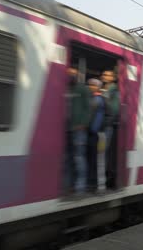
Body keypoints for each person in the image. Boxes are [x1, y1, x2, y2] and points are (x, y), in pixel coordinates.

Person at [63, 67, 90, 196]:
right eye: (69, 73)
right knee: (67, 158)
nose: (70, 76)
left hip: (78, 130)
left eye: (73, 73)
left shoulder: (83, 89)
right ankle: (68, 186)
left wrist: (83, 124)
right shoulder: (67, 89)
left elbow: (88, 108)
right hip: (67, 129)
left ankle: (80, 187)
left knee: (79, 158)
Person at [101, 70, 119, 189]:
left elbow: (114, 110)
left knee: (105, 154)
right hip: (105, 126)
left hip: (107, 126)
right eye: (103, 74)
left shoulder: (113, 90)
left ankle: (107, 179)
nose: (104, 76)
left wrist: (107, 122)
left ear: (113, 77)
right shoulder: (107, 89)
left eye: (107, 75)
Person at [87, 78, 106, 193]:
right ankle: (93, 183)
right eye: (89, 85)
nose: (91, 87)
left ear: (98, 87)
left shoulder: (98, 99)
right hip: (95, 133)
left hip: (98, 134)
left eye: (93, 85)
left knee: (98, 159)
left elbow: (95, 116)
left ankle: (98, 185)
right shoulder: (95, 98)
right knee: (93, 158)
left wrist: (91, 130)